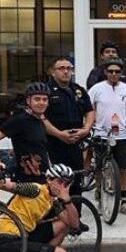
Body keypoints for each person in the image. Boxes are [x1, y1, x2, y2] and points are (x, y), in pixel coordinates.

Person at [0, 163, 81, 252]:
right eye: (60, 182)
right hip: (6, 237)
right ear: (49, 179)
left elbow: (74, 224)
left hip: (23, 235)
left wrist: (67, 200)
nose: (63, 187)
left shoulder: (52, 200)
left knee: (63, 225)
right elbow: (3, 184)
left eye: (67, 184)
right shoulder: (35, 189)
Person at [88, 57, 126, 214]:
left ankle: (124, 200)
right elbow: (87, 106)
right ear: (105, 72)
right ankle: (99, 198)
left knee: (123, 168)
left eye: (117, 72)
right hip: (101, 134)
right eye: (110, 71)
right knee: (99, 168)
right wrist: (89, 123)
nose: (113, 74)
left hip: (122, 134)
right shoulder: (97, 88)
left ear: (121, 73)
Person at [43, 56, 94, 196]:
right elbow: (42, 118)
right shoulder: (46, 91)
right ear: (53, 72)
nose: (66, 71)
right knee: (56, 182)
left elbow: (89, 111)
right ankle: (57, 216)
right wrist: (59, 134)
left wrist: (86, 130)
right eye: (61, 68)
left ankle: (75, 216)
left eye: (69, 68)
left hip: (75, 143)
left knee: (75, 180)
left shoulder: (78, 90)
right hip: (53, 143)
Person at [0, 81, 51, 182]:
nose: (41, 103)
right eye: (37, 99)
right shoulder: (19, 120)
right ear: (28, 101)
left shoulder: (40, 121)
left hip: (41, 176)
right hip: (24, 179)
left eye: (45, 100)